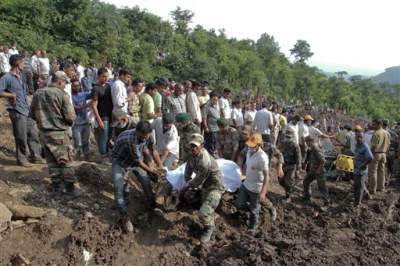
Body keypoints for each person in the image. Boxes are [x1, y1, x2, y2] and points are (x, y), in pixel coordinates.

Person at [30, 71, 79, 196]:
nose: (64, 86)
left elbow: (32, 114)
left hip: (44, 134)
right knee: (66, 162)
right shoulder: (62, 95)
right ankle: (70, 189)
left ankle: (56, 187)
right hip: (59, 134)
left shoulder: (37, 93)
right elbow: (71, 117)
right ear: (60, 81)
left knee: (51, 162)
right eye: (64, 83)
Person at [111, 121, 163, 232]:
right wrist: (151, 171)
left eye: (147, 136)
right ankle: (124, 215)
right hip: (121, 161)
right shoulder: (130, 140)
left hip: (135, 160)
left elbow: (152, 151)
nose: (145, 138)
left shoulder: (148, 135)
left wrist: (160, 167)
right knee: (118, 187)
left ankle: (151, 205)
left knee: (145, 181)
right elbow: (138, 162)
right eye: (143, 137)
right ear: (137, 132)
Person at [0, 54, 43, 166]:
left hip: (26, 110)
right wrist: (11, 95)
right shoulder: (6, 78)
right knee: (21, 136)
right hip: (17, 111)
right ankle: (22, 159)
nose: (24, 64)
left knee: (33, 134)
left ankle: (36, 156)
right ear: (17, 63)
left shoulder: (21, 76)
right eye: (23, 62)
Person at [183, 133, 224, 243]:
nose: (193, 148)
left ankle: (209, 229)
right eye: (191, 145)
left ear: (202, 146)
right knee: (197, 202)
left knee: (203, 212)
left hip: (215, 187)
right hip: (205, 186)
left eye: (195, 146)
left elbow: (198, 180)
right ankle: (212, 216)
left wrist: (188, 187)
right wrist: (187, 181)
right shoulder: (191, 155)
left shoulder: (205, 161)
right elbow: (188, 170)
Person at [235, 133, 274, 233]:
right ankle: (255, 205)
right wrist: (242, 173)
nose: (250, 147)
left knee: (254, 210)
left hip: (257, 187)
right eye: (249, 145)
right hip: (246, 183)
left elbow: (267, 177)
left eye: (252, 145)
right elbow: (246, 164)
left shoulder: (262, 158)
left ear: (259, 144)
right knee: (239, 204)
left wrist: (263, 192)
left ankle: (253, 227)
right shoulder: (248, 151)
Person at [90, 67, 113, 162]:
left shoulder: (108, 86)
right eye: (103, 76)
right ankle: (103, 155)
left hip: (110, 115)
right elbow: (93, 105)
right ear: (99, 76)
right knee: (103, 136)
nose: (106, 78)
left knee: (109, 136)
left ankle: (107, 153)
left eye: (107, 76)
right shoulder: (95, 88)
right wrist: (98, 119)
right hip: (102, 116)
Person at [303, 136, 328, 204]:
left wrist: (319, 170)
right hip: (313, 170)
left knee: (322, 187)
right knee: (306, 181)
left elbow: (323, 161)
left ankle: (326, 201)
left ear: (310, 141)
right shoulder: (312, 148)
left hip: (320, 171)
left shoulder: (315, 148)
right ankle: (307, 196)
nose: (306, 143)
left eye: (307, 142)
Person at [278, 129, 302, 201]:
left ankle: (288, 197)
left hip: (292, 166)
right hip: (283, 165)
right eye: (287, 137)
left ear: (292, 137)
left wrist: (298, 168)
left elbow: (299, 157)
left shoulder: (295, 145)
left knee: (288, 181)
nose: (287, 139)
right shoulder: (282, 143)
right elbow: (279, 153)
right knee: (281, 181)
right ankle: (292, 188)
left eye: (289, 137)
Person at [71, 79, 91, 160]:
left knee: (86, 141)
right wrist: (87, 105)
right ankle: (78, 157)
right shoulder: (71, 97)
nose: (76, 87)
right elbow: (76, 108)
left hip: (85, 122)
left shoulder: (84, 94)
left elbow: (93, 94)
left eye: (78, 85)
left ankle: (87, 156)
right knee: (77, 142)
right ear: (72, 87)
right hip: (76, 123)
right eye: (74, 86)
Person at [368, 119, 390, 194]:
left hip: (376, 154)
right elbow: (389, 145)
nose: (373, 126)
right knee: (381, 171)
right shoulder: (387, 133)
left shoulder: (376, 133)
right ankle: (381, 187)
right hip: (384, 153)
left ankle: (372, 189)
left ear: (379, 124)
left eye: (374, 124)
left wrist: (370, 155)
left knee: (373, 172)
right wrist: (386, 153)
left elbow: (373, 146)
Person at [353, 131, 373, 206]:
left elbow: (370, 157)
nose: (359, 139)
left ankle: (358, 203)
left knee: (360, 187)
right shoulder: (357, 145)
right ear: (355, 138)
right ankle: (367, 195)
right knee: (357, 185)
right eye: (358, 137)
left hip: (361, 170)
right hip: (356, 169)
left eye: (361, 137)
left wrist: (364, 165)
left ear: (363, 138)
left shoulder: (365, 146)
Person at [203, 91, 220, 157]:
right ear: (210, 98)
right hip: (211, 129)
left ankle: (213, 155)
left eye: (217, 99)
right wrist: (206, 127)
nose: (216, 101)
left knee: (215, 143)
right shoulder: (207, 106)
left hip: (216, 128)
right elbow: (204, 117)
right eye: (214, 99)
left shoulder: (215, 106)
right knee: (210, 144)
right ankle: (211, 156)